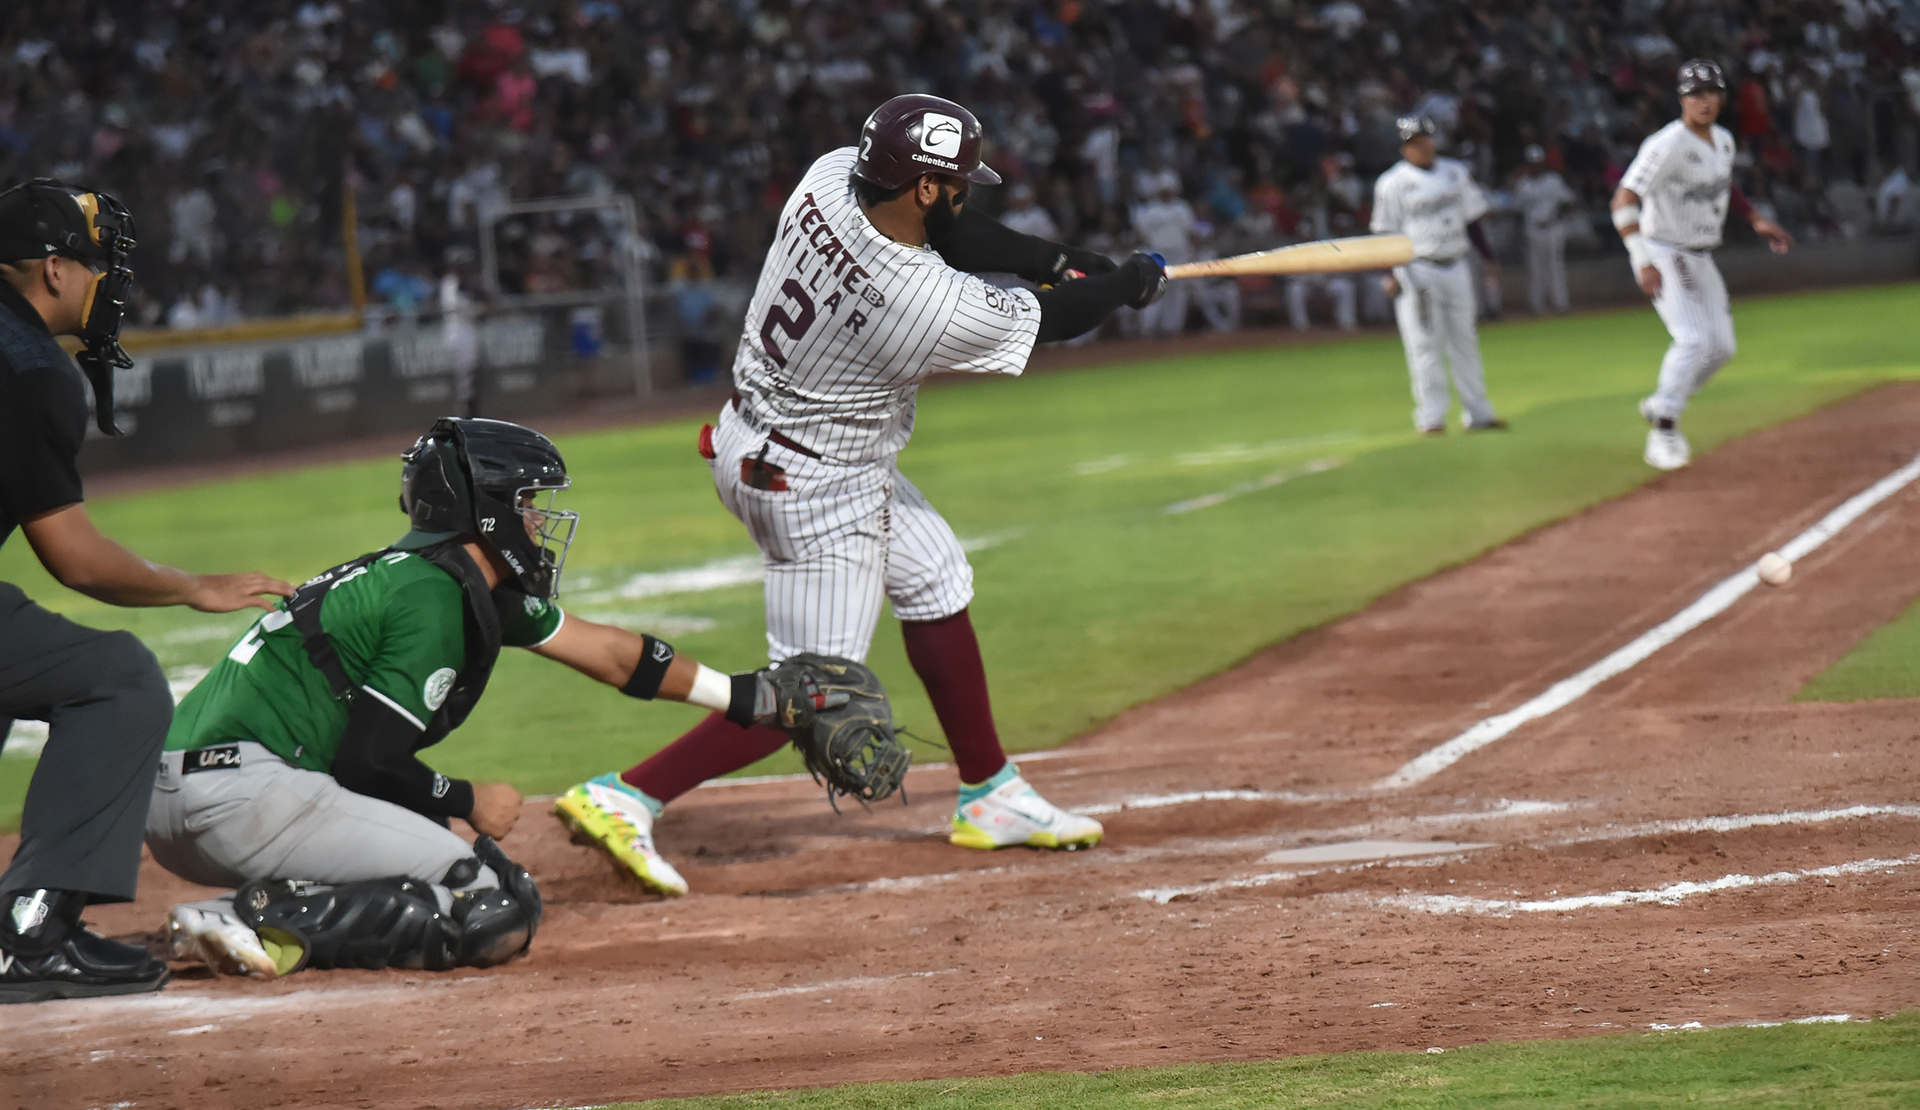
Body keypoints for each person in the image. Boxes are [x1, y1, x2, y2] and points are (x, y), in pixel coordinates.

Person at [555, 94, 1167, 896]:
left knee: (936, 578)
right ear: (922, 189)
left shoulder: (830, 179)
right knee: (816, 691)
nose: (962, 196)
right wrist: (1122, 283)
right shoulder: (921, 303)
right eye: (954, 184)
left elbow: (957, 230)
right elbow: (1052, 322)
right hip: (819, 486)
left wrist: (1051, 256)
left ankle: (991, 793)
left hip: (764, 436)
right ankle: (626, 795)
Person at [149, 418, 804, 978]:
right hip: (240, 802)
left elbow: (608, 653)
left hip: (192, 796)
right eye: (526, 502)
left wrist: (748, 697)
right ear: (483, 508)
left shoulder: (435, 578)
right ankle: (246, 917)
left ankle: (267, 904)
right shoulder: (431, 598)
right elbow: (367, 763)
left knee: (427, 838)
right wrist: (469, 799)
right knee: (492, 903)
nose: (538, 518)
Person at [0, 179, 294, 1003]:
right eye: (96, 267)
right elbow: (76, 558)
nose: (108, 287)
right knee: (118, 678)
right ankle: (33, 931)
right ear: (53, 270)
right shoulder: (27, 364)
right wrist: (194, 586)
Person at [1610, 60, 1793, 471]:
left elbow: (1722, 183)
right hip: (1664, 249)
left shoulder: (1723, 141)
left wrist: (1756, 219)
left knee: (1722, 348)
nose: (1703, 100)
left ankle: (1661, 403)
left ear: (1722, 98)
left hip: (1701, 253)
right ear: (1681, 99)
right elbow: (1623, 199)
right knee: (1693, 339)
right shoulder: (1666, 144)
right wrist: (1642, 260)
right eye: (1694, 94)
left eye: (1710, 92)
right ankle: (1664, 430)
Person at [1371, 117, 1508, 436]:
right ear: (1405, 148)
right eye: (1416, 141)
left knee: (1466, 340)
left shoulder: (1454, 171)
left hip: (1457, 264)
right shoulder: (1392, 183)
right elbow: (1385, 233)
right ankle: (1431, 417)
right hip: (1417, 269)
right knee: (1423, 344)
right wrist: (1388, 272)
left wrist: (1487, 257)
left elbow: (1472, 221)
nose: (1424, 145)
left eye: (1426, 139)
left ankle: (1479, 413)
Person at [1130, 168, 1196, 336]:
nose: (1166, 192)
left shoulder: (1182, 208)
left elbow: (1189, 231)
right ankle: (1147, 329)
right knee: (1154, 290)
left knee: (1177, 294)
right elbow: (1142, 234)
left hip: (1179, 253)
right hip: (1157, 255)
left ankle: (1172, 328)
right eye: (1163, 189)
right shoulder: (1147, 210)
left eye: (1169, 189)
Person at [1513, 144, 1576, 315]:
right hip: (1532, 229)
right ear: (1528, 163)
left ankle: (1560, 304)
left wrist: (1560, 215)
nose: (1536, 165)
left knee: (1556, 267)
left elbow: (1568, 201)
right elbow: (1517, 211)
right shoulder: (1523, 184)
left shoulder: (1553, 180)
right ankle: (1537, 306)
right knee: (1535, 268)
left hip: (1553, 227)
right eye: (1532, 162)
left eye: (1538, 162)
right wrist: (1518, 233)